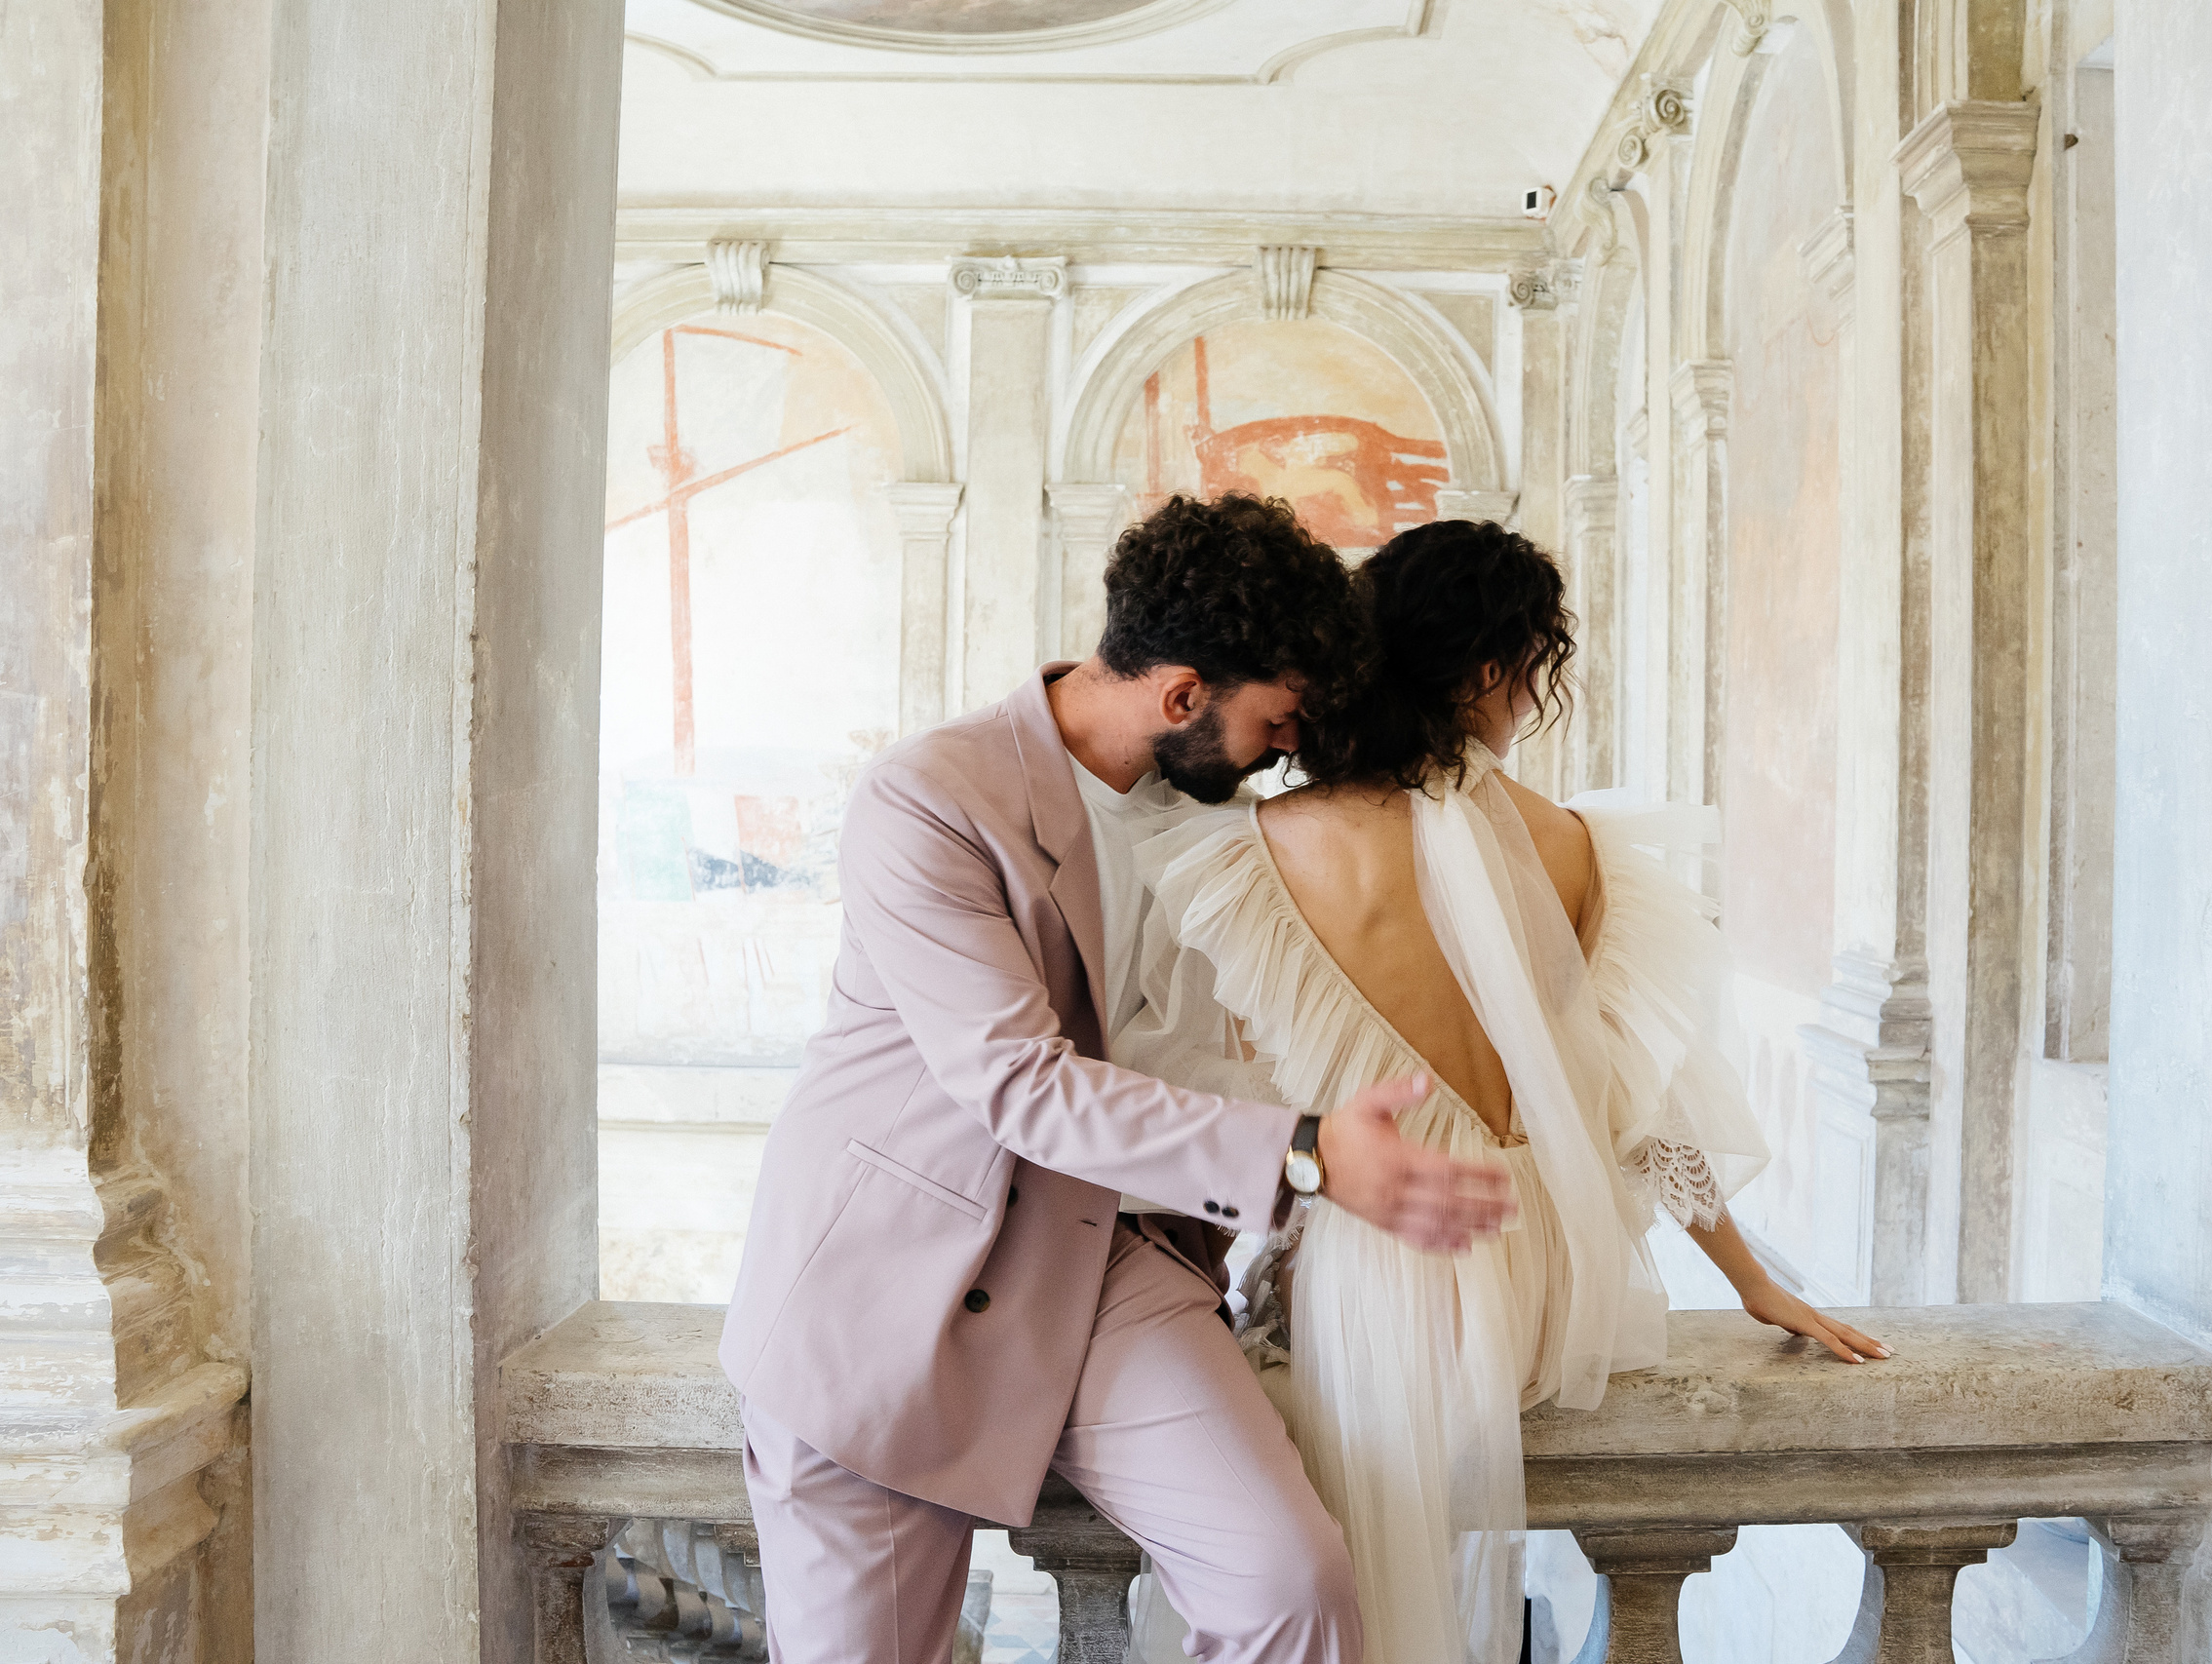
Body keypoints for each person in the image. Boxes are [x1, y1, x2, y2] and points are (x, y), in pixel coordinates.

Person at [720, 493, 1516, 1664]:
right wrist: (1305, 1151)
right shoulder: (929, 796)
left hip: (1110, 1259)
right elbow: (1020, 1084)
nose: (1286, 748)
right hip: (890, 1287)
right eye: (1277, 718)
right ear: (1182, 696)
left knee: (1291, 1584)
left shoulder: (1210, 817)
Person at [1114, 519, 1889, 1664]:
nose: (1529, 701)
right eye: (1532, 671)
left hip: (1388, 1273)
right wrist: (1753, 1281)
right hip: (1541, 1286)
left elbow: (1195, 1095)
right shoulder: (1575, 847)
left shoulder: (1258, 847)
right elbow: (1640, 1102)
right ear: (1488, 670)